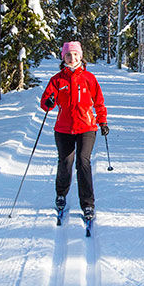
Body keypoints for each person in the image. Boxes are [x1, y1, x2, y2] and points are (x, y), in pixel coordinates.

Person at [40, 41, 109, 220]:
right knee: (65, 162)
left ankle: (88, 203)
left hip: (87, 127)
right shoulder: (57, 79)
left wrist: (103, 122)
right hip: (63, 128)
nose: (72, 58)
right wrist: (48, 102)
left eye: (75, 54)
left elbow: (99, 103)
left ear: (81, 56)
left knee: (83, 162)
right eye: (68, 55)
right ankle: (61, 194)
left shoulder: (89, 78)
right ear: (63, 57)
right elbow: (46, 102)